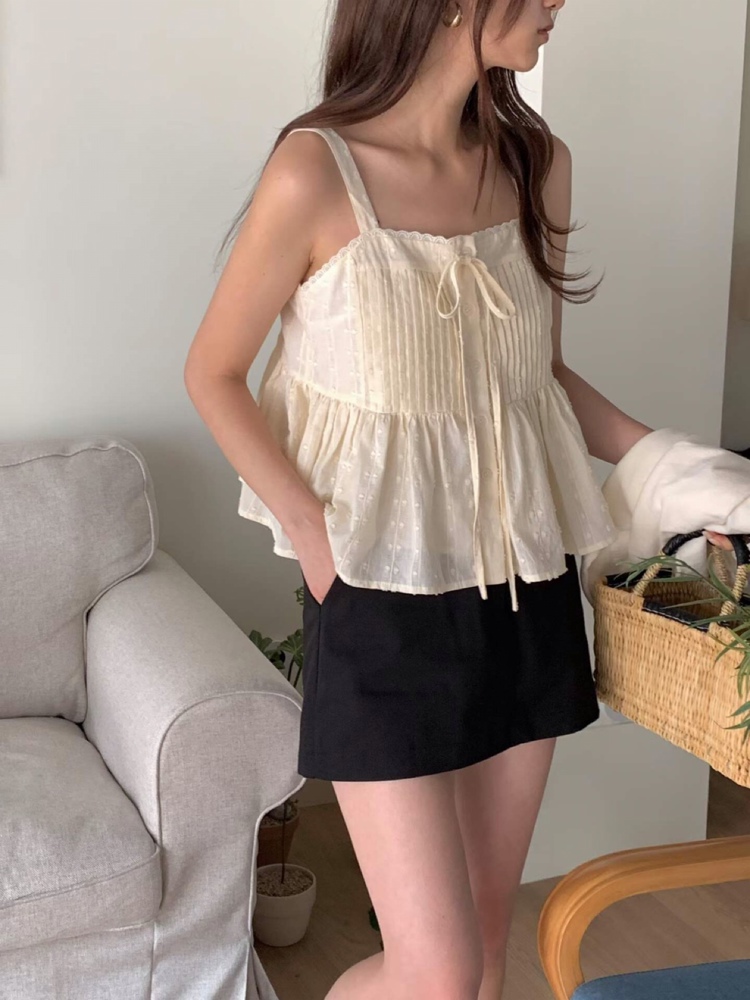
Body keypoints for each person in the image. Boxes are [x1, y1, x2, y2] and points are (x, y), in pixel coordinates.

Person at [184, 1, 736, 997]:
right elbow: (213, 372)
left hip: (525, 587)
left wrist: (684, 466)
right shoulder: (316, 172)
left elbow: (538, 380)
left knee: (481, 949)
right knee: (435, 970)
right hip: (377, 590)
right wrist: (315, 538)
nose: (558, 4)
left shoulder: (537, 165)